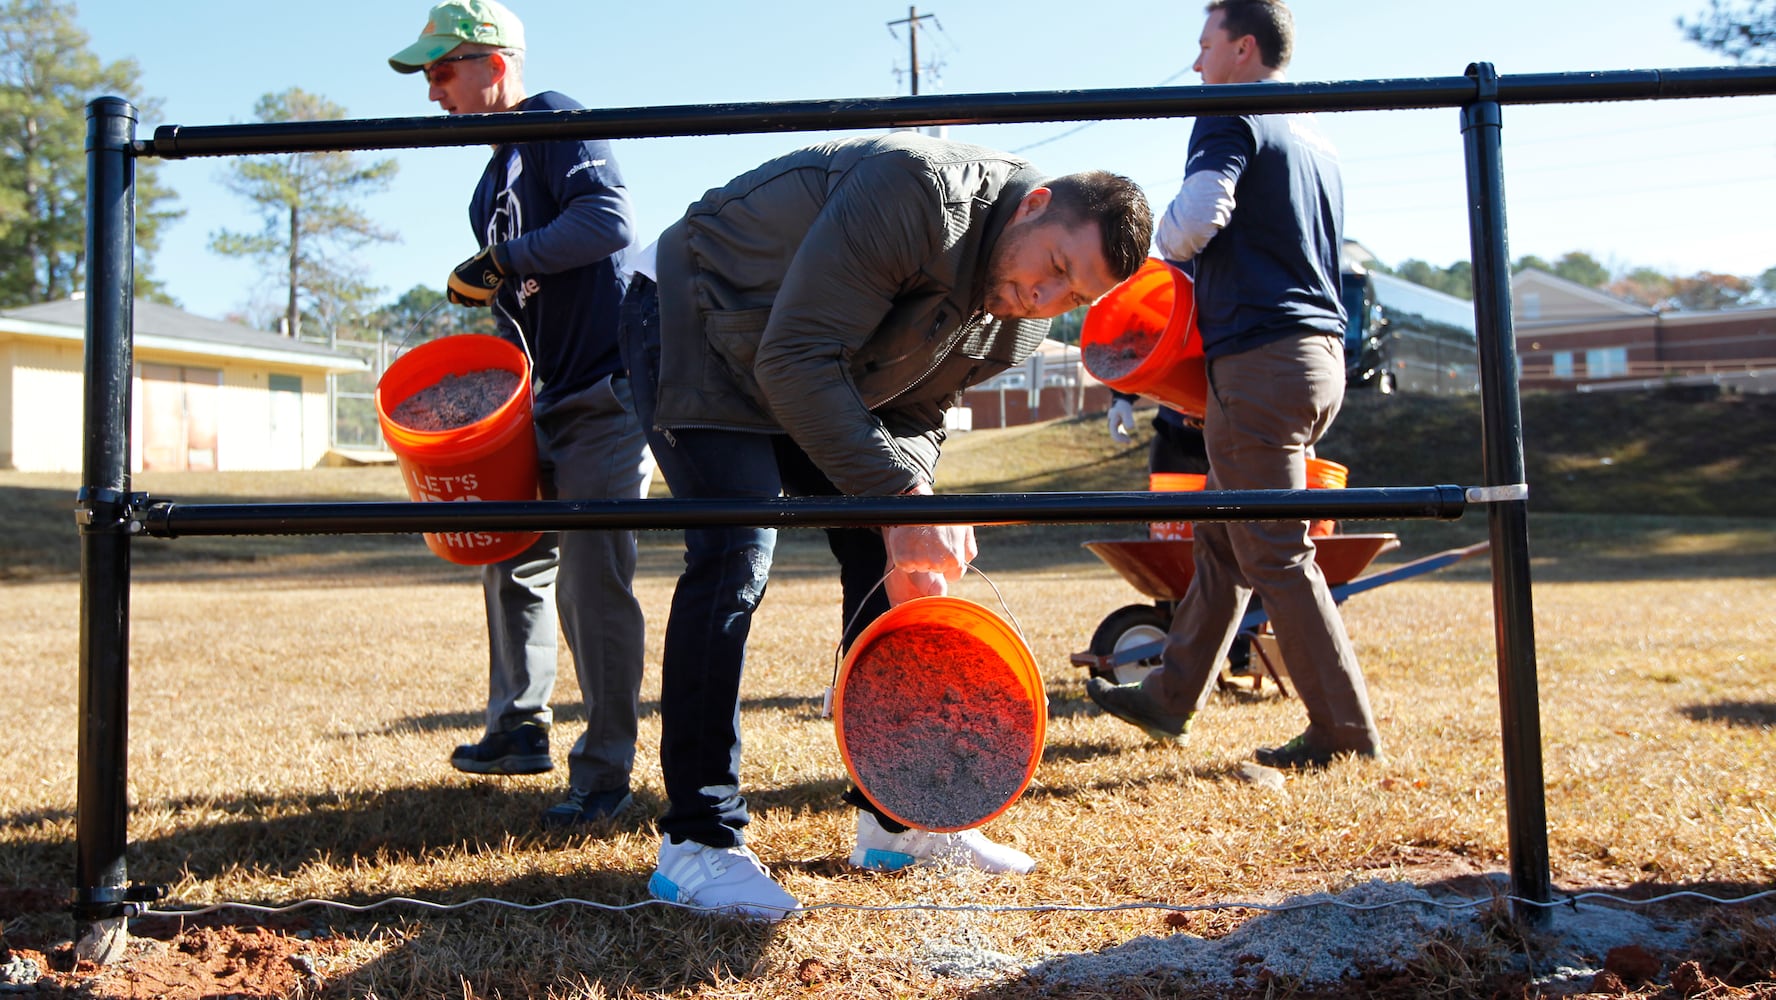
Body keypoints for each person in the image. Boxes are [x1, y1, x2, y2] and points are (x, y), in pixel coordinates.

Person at [621, 133, 1153, 920]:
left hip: (807, 362)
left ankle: (896, 820)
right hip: (698, 318)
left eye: (1072, 299)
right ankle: (697, 843)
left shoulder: (1027, 316)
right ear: (1035, 206)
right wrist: (905, 499)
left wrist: (916, 510)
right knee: (738, 545)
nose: (1045, 300)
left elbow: (920, 408)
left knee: (887, 550)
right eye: (1056, 269)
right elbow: (794, 359)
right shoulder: (915, 191)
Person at [1086, 0, 1383, 769]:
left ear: (1243, 47)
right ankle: (1169, 698)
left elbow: (1195, 219)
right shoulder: (1313, 134)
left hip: (1259, 363)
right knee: (1222, 537)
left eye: (1205, 44)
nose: (1196, 64)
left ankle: (1344, 735)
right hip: (1317, 358)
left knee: (1277, 554)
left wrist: (1157, 245)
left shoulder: (1231, 112)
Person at [389, 0, 656, 826]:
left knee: (591, 581)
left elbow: (609, 222)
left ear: (493, 64)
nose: (434, 93)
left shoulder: (555, 121)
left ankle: (606, 770)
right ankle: (519, 727)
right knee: (508, 549)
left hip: (609, 389)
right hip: (544, 395)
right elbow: (524, 305)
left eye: (442, 71)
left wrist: (503, 259)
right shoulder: (487, 185)